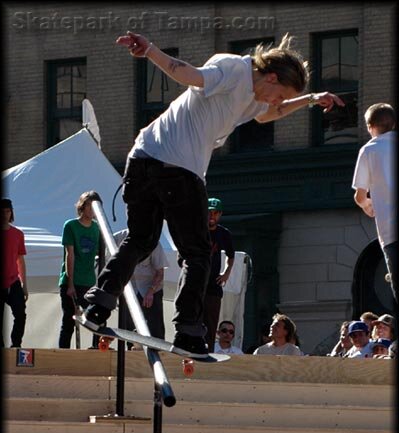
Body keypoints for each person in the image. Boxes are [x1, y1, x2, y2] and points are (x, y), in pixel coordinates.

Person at [83, 30, 344, 358]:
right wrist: (150, 51)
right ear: (272, 76)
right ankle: (189, 331)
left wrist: (308, 99)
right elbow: (189, 74)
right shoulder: (234, 69)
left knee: (140, 240)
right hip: (177, 168)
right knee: (198, 253)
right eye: (279, 94)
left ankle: (98, 305)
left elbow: (268, 115)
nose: (276, 102)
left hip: (143, 158)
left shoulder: (254, 98)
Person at [352, 103, 397, 304]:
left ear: (370, 126)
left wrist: (368, 205)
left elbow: (360, 195)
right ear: (394, 124)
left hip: (391, 231)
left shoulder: (369, 150)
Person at [58, 191, 101, 349]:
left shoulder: (97, 228)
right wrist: (70, 285)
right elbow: (70, 255)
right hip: (71, 281)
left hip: (89, 281)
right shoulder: (70, 225)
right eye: (89, 205)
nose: (92, 210)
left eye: (94, 206)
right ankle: (62, 355)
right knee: (68, 322)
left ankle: (96, 350)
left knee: (96, 318)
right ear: (82, 207)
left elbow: (98, 254)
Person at [113, 232, 168, 347]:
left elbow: (160, 272)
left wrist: (151, 292)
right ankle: (130, 355)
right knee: (129, 327)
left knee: (154, 329)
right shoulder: (118, 237)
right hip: (129, 289)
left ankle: (159, 354)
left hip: (151, 289)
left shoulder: (153, 241)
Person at [203, 198, 235, 352]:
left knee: (210, 323)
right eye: (209, 212)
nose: (211, 215)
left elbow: (231, 255)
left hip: (213, 286)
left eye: (215, 213)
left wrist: (226, 273)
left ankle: (207, 352)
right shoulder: (197, 230)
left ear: (220, 214)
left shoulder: (223, 233)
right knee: (192, 321)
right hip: (196, 283)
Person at [1, 198, 28, 348]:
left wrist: (24, 284)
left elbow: (20, 260)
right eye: (2, 211)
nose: (5, 214)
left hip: (13, 281)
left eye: (7, 211)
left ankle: (15, 345)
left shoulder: (18, 234)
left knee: (20, 315)